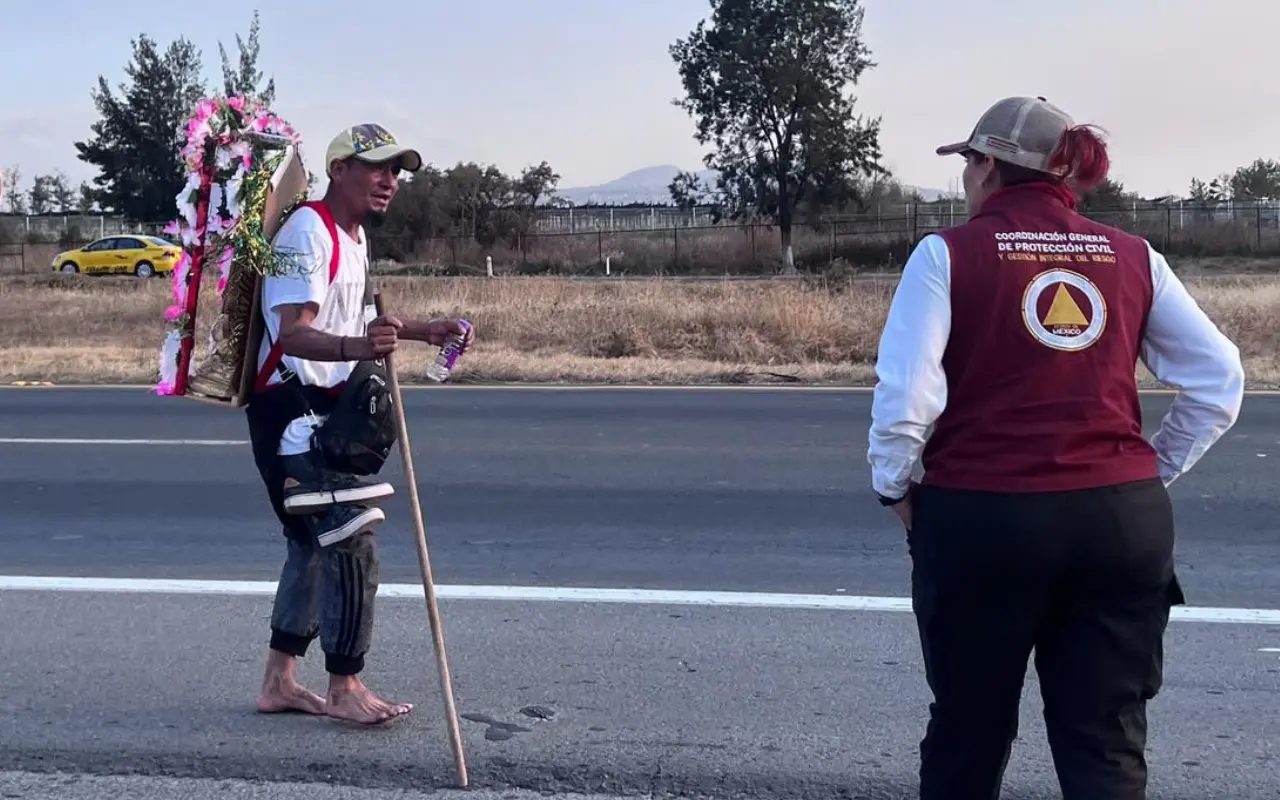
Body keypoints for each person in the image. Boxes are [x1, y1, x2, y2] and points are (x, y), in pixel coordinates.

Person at [866, 96, 1244, 799]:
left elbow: (906, 401)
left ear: (988, 167)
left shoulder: (945, 255)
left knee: (968, 735)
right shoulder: (1134, 255)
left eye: (969, 161)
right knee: (1105, 742)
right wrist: (1143, 476)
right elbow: (1220, 381)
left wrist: (894, 486)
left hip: (985, 521)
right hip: (1118, 524)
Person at [245, 123, 475, 726]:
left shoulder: (353, 237)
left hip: (330, 412)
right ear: (338, 169)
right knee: (349, 537)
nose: (389, 180)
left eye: (396, 171)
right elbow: (293, 331)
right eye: (376, 167)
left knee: (310, 546)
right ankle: (344, 684)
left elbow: (367, 316)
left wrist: (425, 331)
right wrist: (356, 348)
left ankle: (279, 682)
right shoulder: (305, 233)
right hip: (291, 417)